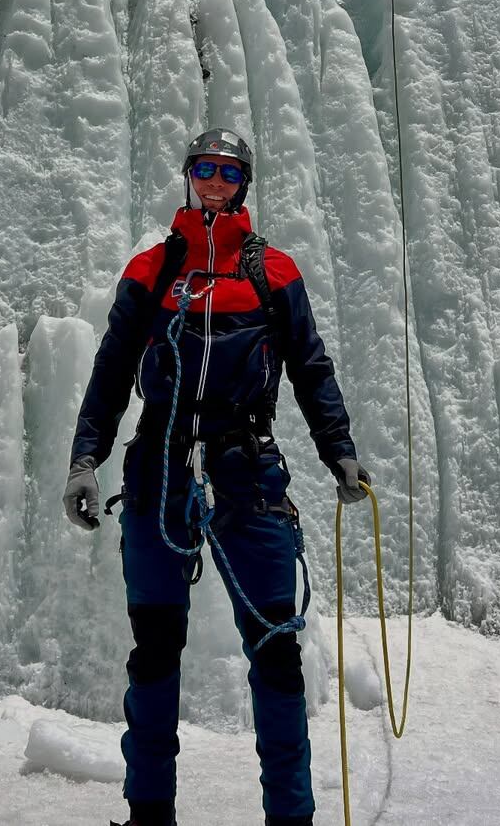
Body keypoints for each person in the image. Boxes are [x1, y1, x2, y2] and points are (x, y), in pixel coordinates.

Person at [64, 128, 371, 826]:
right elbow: (112, 371)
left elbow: (311, 367)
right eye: (203, 169)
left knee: (275, 652)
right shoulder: (150, 271)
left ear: (244, 184)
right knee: (154, 650)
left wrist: (339, 450)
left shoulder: (274, 273)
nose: (215, 181)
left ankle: (290, 818)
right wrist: (87, 458)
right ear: (187, 177)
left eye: (228, 172)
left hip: (246, 469)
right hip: (160, 466)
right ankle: (149, 816)